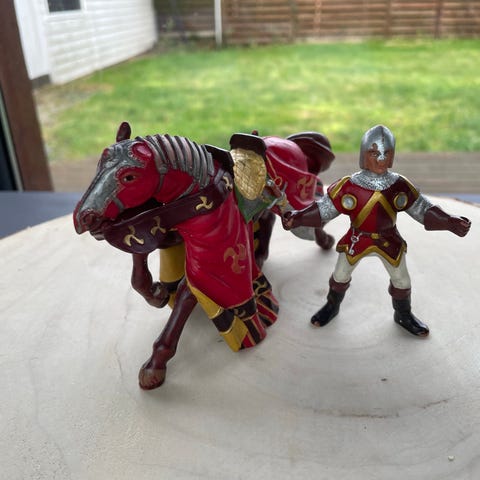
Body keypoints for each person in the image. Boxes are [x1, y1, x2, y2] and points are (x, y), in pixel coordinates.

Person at [282, 125, 471, 337]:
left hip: (388, 240)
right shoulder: (348, 186)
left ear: (392, 156)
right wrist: (298, 218)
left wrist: (449, 222)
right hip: (356, 239)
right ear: (364, 155)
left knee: (402, 280)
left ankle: (403, 314)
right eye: (374, 153)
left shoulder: (399, 185)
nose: (381, 159)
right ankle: (331, 307)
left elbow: (422, 209)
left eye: (386, 153)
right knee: (340, 275)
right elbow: (324, 209)